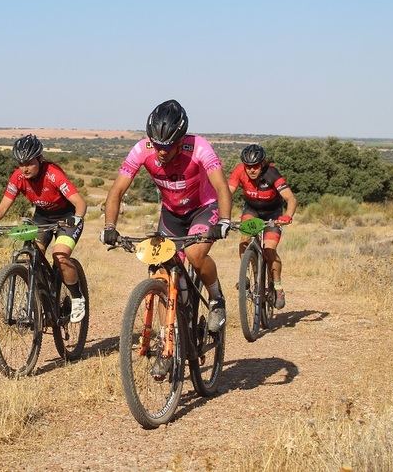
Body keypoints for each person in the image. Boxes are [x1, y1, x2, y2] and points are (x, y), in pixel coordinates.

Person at [101, 99, 232, 333]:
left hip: (203, 209)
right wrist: (109, 226)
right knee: (161, 271)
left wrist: (223, 220)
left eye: (169, 145)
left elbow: (222, 187)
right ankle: (166, 340)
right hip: (172, 214)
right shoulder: (142, 150)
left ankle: (215, 297)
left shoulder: (200, 147)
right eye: (157, 144)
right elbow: (117, 190)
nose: (162, 151)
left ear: (181, 139)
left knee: (194, 254)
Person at [0, 134, 88, 322]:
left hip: (66, 217)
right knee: (33, 257)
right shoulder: (18, 177)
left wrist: (76, 218)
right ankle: (39, 301)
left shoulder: (53, 173)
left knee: (60, 256)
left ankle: (77, 297)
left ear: (40, 159)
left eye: (29, 162)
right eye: (20, 163)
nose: (24, 168)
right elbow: (3, 207)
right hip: (42, 218)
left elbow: (80, 202)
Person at [228, 144, 297, 309]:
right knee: (245, 237)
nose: (251, 170)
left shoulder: (272, 173)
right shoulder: (239, 171)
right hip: (252, 210)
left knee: (269, 250)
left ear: (262, 164)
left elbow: (291, 199)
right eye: (248, 167)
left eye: (255, 166)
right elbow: (226, 193)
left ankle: (278, 286)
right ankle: (250, 272)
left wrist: (287, 216)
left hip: (273, 213)